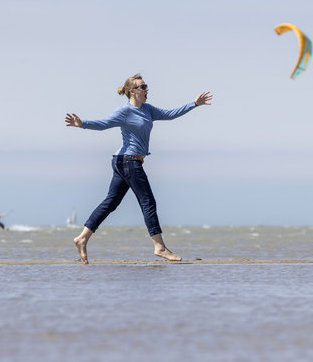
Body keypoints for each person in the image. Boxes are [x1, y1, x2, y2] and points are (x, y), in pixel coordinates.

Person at [65, 73, 212, 264]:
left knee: (111, 202)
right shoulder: (124, 111)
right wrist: (82, 124)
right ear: (132, 91)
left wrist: (194, 104)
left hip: (125, 161)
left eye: (146, 86)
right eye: (143, 87)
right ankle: (159, 247)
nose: (147, 89)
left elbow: (170, 114)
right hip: (128, 161)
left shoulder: (148, 110)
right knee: (147, 202)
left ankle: (82, 238)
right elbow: (104, 124)